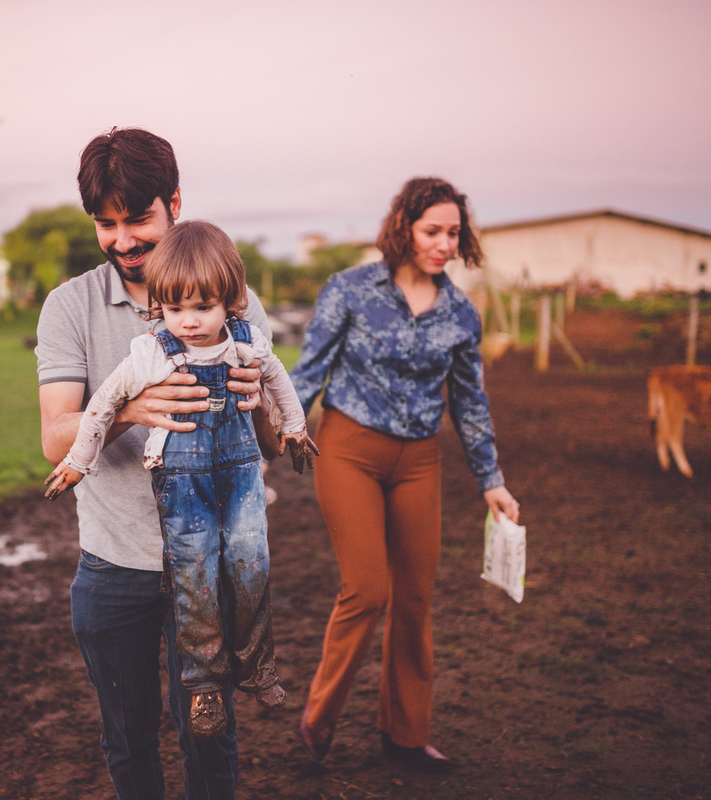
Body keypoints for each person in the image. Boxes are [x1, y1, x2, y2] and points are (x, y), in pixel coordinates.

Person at [36, 128, 280, 800]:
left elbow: (272, 436)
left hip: (209, 568)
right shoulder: (70, 306)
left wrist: (259, 402)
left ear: (174, 201)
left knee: (210, 734)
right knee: (128, 739)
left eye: (137, 218)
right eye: (105, 224)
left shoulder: (233, 299)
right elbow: (56, 437)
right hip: (115, 565)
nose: (122, 240)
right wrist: (130, 407)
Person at [43, 220, 317, 739]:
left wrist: (295, 428)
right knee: (196, 583)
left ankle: (258, 664)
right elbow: (101, 403)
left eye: (202, 308)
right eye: (174, 310)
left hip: (238, 479)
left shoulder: (246, 340)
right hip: (183, 484)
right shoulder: (150, 351)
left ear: (229, 302)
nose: (188, 323)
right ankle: (205, 684)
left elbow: (277, 376)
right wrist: (80, 461)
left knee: (251, 566)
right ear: (159, 309)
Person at [288, 177, 520, 772]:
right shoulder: (350, 290)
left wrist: (491, 479)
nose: (444, 243)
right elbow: (306, 375)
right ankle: (320, 713)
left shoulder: (461, 315)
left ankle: (406, 735)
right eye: (432, 231)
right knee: (368, 590)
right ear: (403, 229)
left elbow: (470, 402)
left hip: (419, 461)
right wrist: (264, 439)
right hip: (348, 450)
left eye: (453, 233)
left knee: (415, 600)